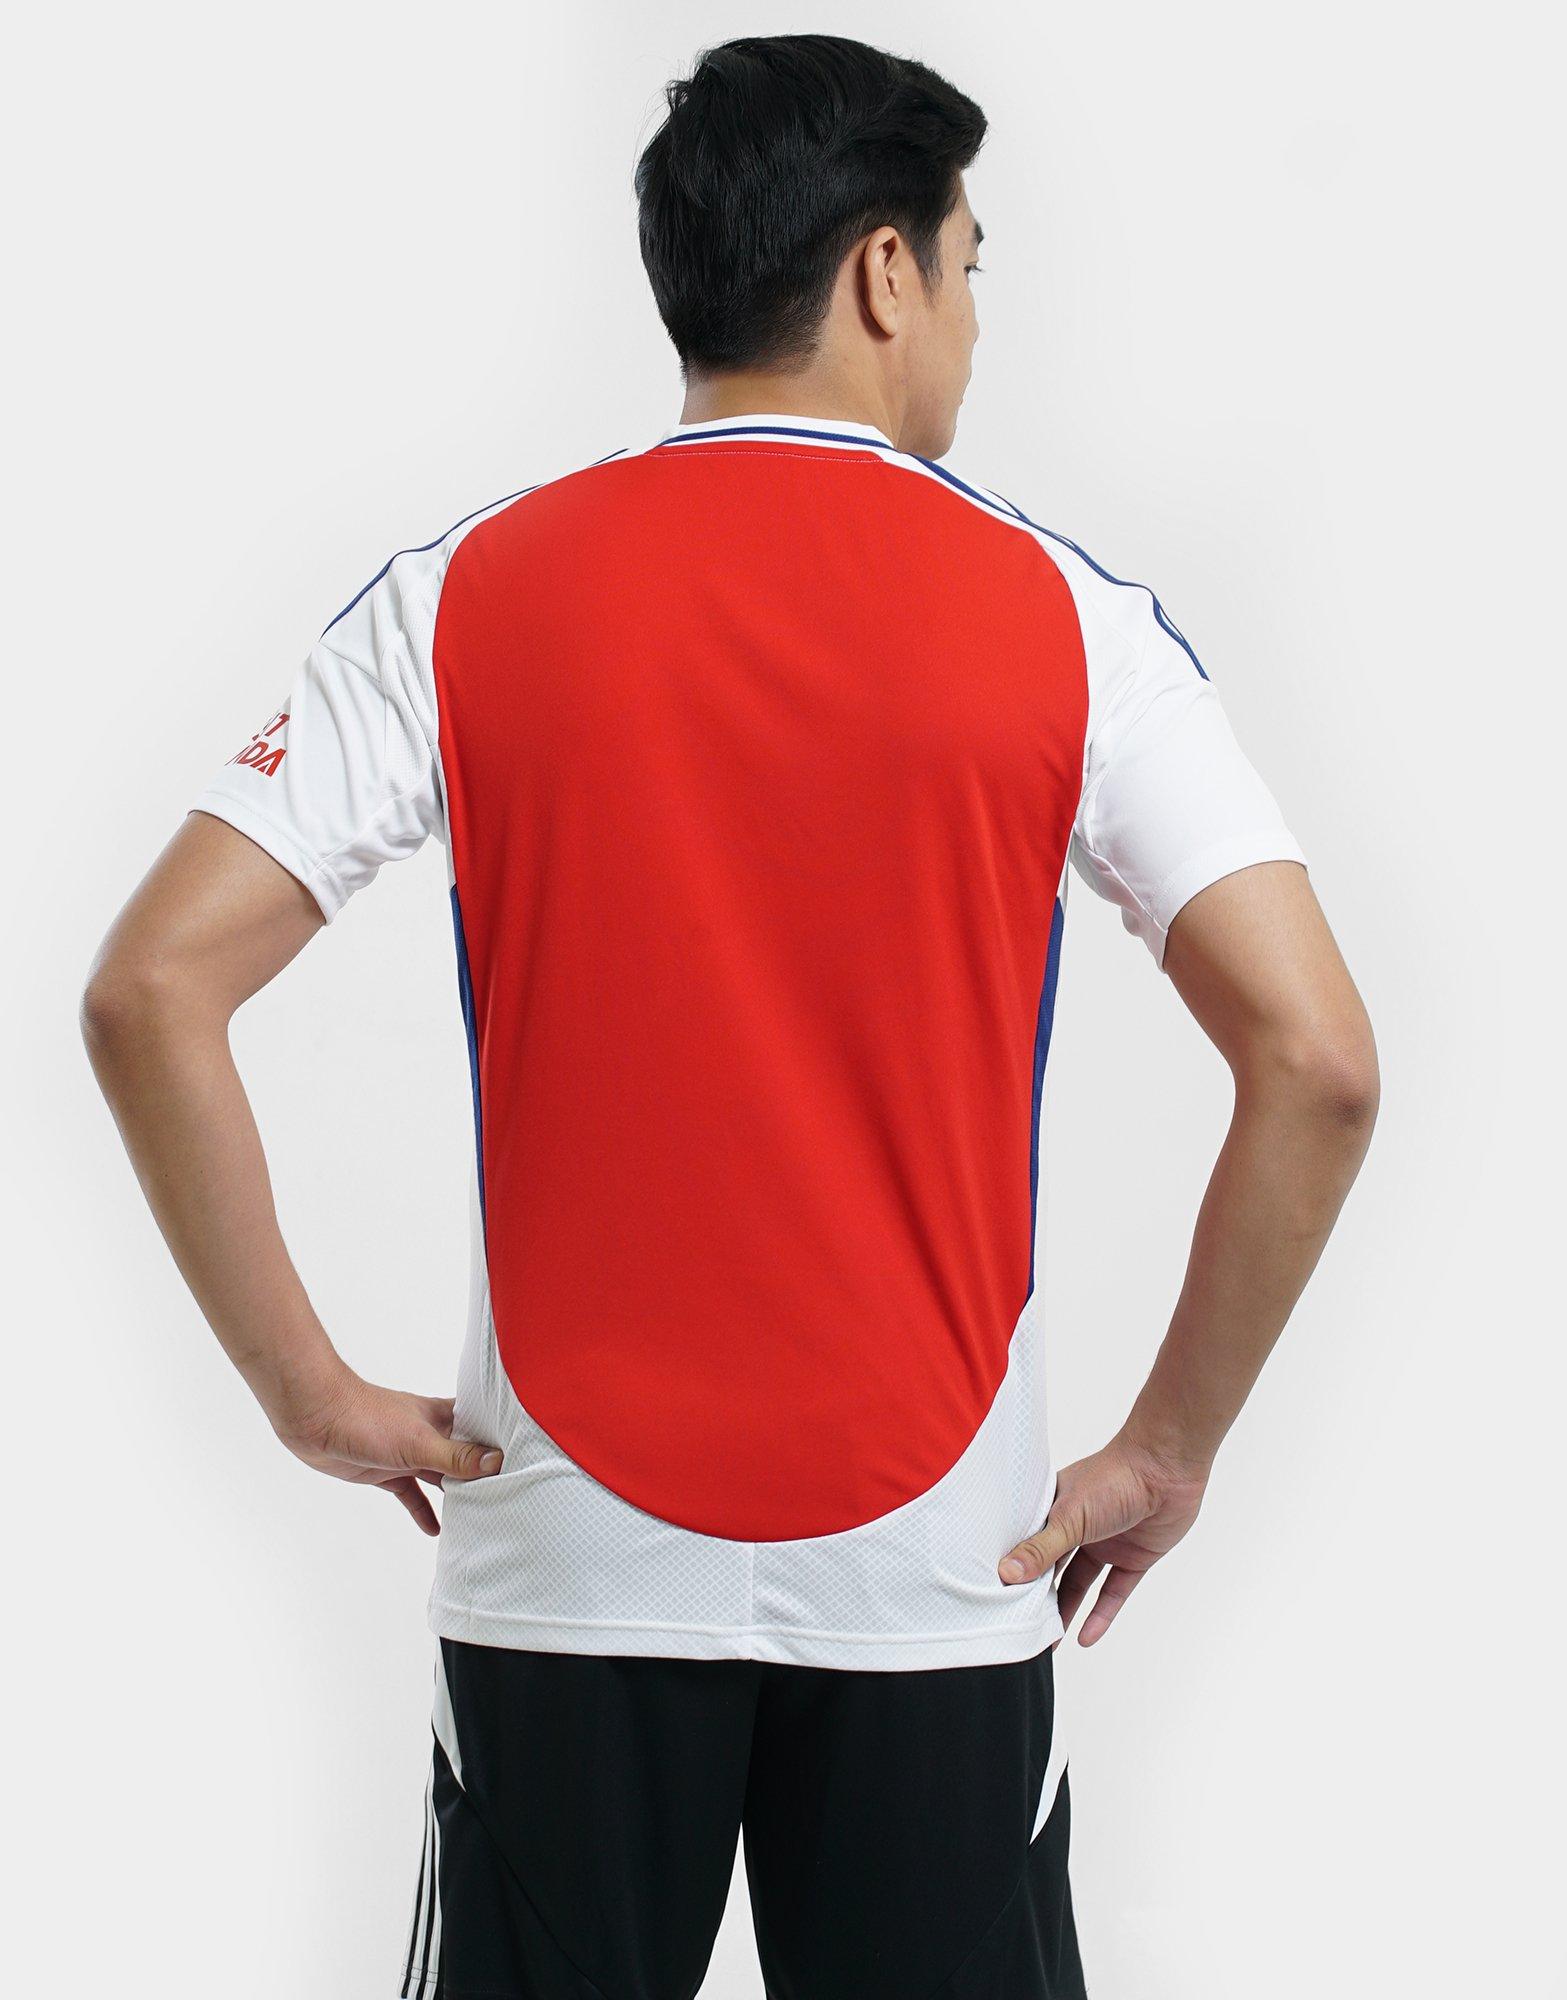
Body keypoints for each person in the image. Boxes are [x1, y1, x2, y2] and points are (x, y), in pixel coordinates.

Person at [81, 32, 1378, 2000]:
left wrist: (302, 1388)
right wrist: (1169, 1447)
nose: (970, 325)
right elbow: (1319, 1058)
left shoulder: (466, 590)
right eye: (969, 267)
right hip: (937, 1563)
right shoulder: (1069, 618)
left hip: (563, 1557)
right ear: (884, 274)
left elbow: (151, 982)